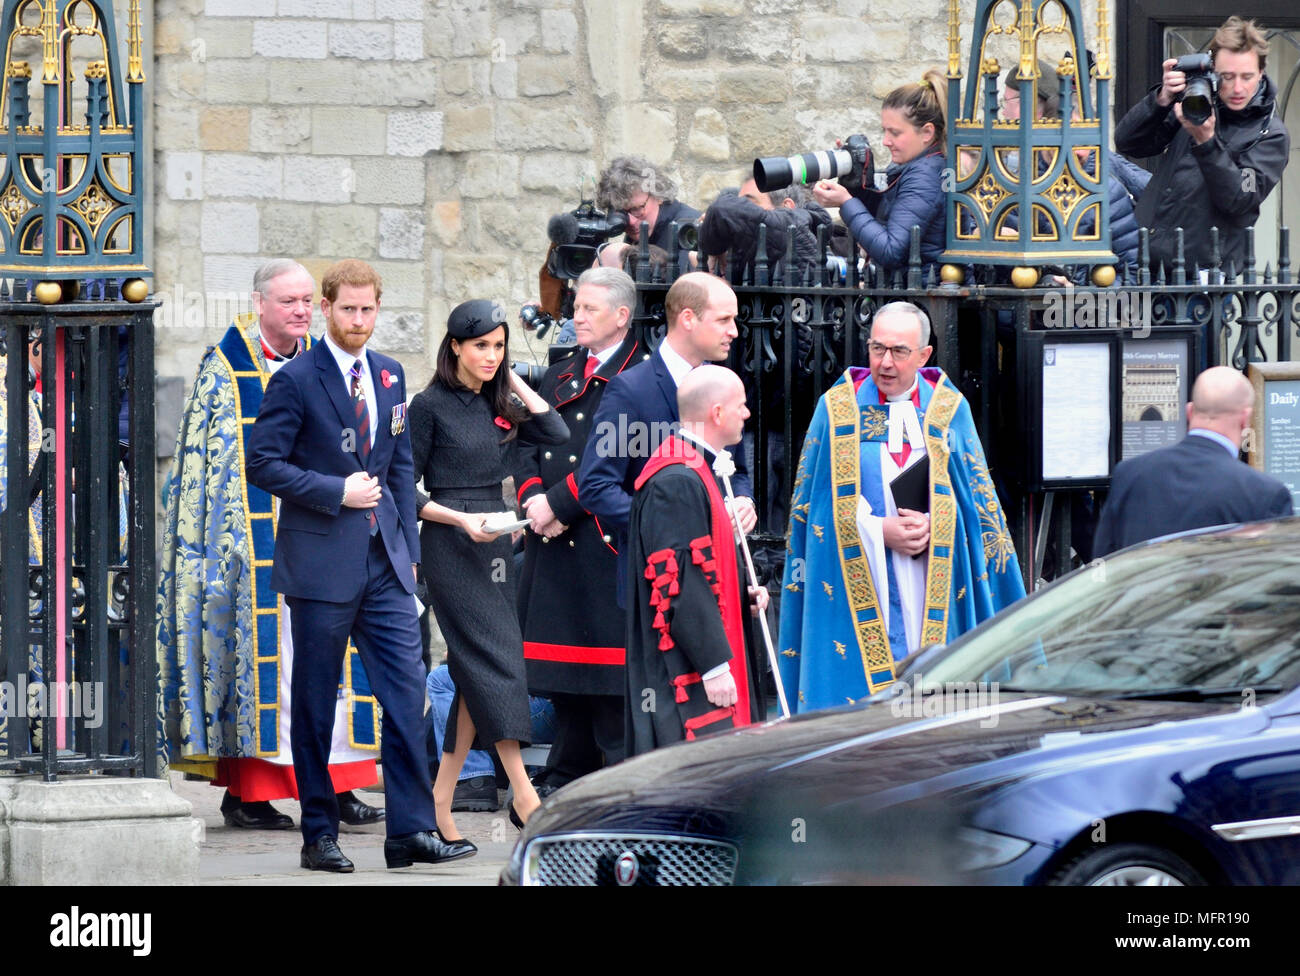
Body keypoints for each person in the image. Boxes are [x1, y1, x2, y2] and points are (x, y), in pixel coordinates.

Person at [246, 259, 465, 873]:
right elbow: (262, 464)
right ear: (325, 308)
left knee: (405, 697)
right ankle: (319, 833)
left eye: (368, 310)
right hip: (320, 566)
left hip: (386, 567)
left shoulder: (392, 375)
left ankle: (411, 832)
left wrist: (411, 558)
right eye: (348, 310)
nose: (359, 321)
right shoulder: (295, 379)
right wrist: (332, 491)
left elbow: (400, 470)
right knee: (315, 704)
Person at [157, 260, 383, 832]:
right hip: (251, 550)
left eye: (308, 300)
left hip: (325, 538)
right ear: (258, 303)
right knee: (264, 667)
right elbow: (207, 475)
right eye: (289, 301)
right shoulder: (223, 369)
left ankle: (335, 784)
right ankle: (250, 793)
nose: (303, 311)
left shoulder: (326, 365)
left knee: (331, 667)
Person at [778, 302, 1026, 712]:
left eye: (898, 352)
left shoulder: (948, 410)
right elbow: (813, 509)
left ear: (924, 355)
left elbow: (978, 508)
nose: (885, 363)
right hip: (861, 577)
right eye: (877, 349)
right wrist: (879, 531)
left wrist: (937, 525)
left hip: (932, 577)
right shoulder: (838, 410)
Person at [409, 299, 569, 836]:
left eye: (499, 346)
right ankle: (524, 794)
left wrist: (514, 379)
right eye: (481, 346)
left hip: (496, 541)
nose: (491, 355)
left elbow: (557, 435)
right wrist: (457, 520)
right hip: (451, 544)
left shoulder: (497, 401)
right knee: (500, 661)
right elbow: (402, 491)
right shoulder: (428, 406)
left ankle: (439, 799)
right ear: (454, 345)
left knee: (471, 671)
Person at [515, 269, 645, 793]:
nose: (575, 316)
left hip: (599, 539)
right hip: (550, 539)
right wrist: (529, 498)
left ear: (621, 315)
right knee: (562, 675)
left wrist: (560, 503)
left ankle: (614, 779)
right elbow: (527, 440)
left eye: (589, 308)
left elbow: (615, 455)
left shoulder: (641, 376)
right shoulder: (560, 371)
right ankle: (567, 770)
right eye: (576, 306)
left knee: (607, 677)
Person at [578, 271, 757, 606]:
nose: (734, 331)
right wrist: (673, 528)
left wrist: (744, 502)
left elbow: (738, 472)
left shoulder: (722, 383)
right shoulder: (629, 390)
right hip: (655, 584)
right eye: (724, 320)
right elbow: (596, 486)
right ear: (688, 318)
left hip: (720, 578)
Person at [625, 365, 767, 755]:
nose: (747, 413)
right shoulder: (677, 480)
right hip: (687, 671)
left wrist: (744, 593)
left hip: (703, 659)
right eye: (741, 406)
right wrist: (715, 666)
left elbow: (706, 567)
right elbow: (680, 582)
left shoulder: (696, 468)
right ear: (717, 413)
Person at [1114, 16, 1290, 275]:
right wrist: (1161, 99)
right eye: (1227, 76)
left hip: (1205, 274)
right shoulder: (1196, 102)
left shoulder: (1270, 134)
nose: (1237, 87)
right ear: (1212, 72)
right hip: (1147, 263)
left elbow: (1242, 198)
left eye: (1247, 76)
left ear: (1261, 73)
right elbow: (1129, 143)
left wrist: (1206, 141)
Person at [1093, 366, 1293, 555]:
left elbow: (1103, 561)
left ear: (1189, 412)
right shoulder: (1265, 493)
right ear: (1245, 418)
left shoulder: (1130, 473)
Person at [811, 70, 948, 275]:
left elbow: (890, 250)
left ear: (927, 132)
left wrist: (846, 202)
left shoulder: (925, 176)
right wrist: (856, 180)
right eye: (884, 131)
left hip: (921, 298)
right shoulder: (919, 166)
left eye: (895, 132)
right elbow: (887, 219)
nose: (886, 141)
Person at [596, 155, 700, 252]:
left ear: (658, 196)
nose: (631, 222)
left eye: (636, 209)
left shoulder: (688, 230)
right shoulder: (641, 231)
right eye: (622, 214)